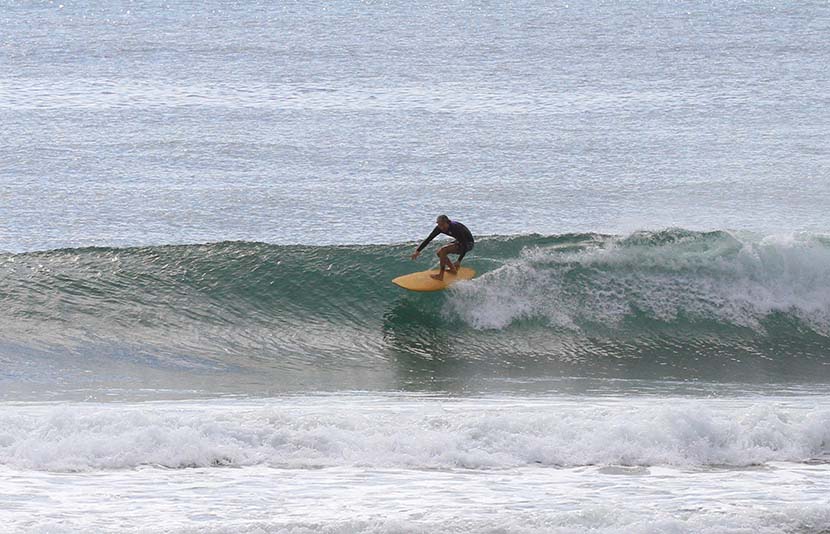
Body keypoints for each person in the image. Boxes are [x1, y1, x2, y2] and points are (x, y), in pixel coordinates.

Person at [411, 215, 475, 280]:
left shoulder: (456, 228)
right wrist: (418, 251)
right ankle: (453, 269)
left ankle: (441, 276)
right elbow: (429, 239)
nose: (441, 227)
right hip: (459, 241)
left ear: (447, 222)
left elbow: (464, 244)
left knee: (443, 250)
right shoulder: (439, 228)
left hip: (468, 243)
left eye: (443, 225)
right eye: (439, 225)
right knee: (439, 253)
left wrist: (459, 260)